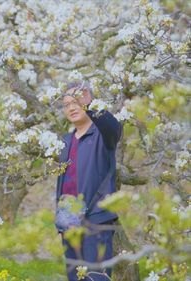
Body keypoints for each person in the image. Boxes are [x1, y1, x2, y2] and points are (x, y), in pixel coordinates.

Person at [55, 81, 122, 281]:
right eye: (67, 104)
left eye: (76, 102)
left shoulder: (102, 135)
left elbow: (114, 128)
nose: (72, 107)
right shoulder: (65, 141)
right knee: (75, 277)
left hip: (96, 217)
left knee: (96, 277)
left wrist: (91, 105)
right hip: (69, 220)